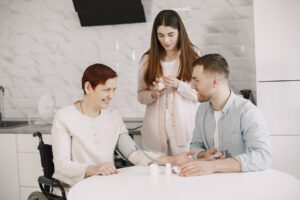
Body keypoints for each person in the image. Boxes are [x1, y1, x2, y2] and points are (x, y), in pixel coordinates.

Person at [52, 63, 193, 186]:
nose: (111, 96)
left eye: (114, 90)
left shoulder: (113, 116)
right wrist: (93, 169)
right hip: (76, 187)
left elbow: (134, 154)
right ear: (88, 87)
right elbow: (62, 166)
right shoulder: (64, 116)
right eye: (106, 90)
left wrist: (173, 159)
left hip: (106, 185)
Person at [179, 54, 272, 176]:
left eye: (196, 80)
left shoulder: (247, 111)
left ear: (215, 81)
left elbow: (263, 157)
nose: (191, 86)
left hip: (243, 186)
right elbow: (195, 145)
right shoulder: (202, 110)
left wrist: (214, 166)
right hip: (211, 184)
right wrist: (204, 155)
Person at [137, 10, 201, 155]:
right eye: (160, 35)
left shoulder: (192, 55)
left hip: (185, 129)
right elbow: (141, 95)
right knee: (158, 173)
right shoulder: (148, 59)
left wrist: (179, 85)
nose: (166, 40)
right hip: (155, 132)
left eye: (171, 34)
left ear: (180, 32)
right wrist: (153, 94)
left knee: (186, 170)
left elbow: (200, 94)